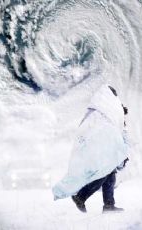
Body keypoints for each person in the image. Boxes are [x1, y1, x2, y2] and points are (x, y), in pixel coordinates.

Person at [52, 84, 129, 213]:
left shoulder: (98, 109)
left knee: (109, 174)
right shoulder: (105, 109)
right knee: (104, 173)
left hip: (102, 147)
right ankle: (81, 196)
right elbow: (111, 130)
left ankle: (108, 205)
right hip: (102, 148)